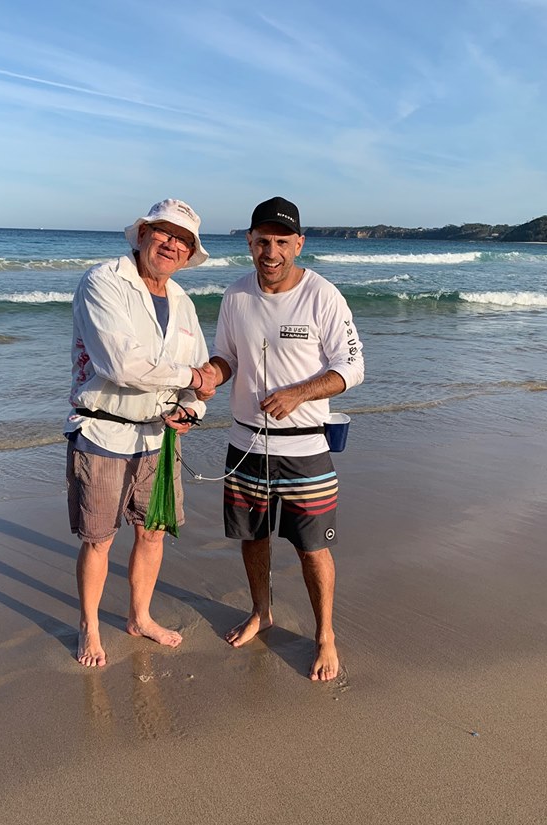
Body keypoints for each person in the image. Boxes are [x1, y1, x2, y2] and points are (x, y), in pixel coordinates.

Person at [194, 197, 365, 682]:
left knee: (312, 549)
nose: (271, 251)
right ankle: (261, 612)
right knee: (252, 540)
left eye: (282, 242)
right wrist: (210, 374)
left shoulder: (323, 296)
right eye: (262, 241)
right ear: (249, 241)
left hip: (305, 448)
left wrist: (300, 392)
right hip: (245, 444)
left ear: (299, 245)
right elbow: (227, 356)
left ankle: (325, 634)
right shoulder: (235, 296)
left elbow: (353, 368)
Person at [65, 199, 218, 667]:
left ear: (190, 254)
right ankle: (90, 627)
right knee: (99, 539)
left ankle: (139, 617)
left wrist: (192, 410)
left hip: (159, 439)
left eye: (183, 240)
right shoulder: (104, 282)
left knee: (152, 533)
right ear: (144, 233)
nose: (172, 245)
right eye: (165, 233)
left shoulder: (184, 303)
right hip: (104, 435)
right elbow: (121, 365)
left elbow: (202, 378)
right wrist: (193, 379)